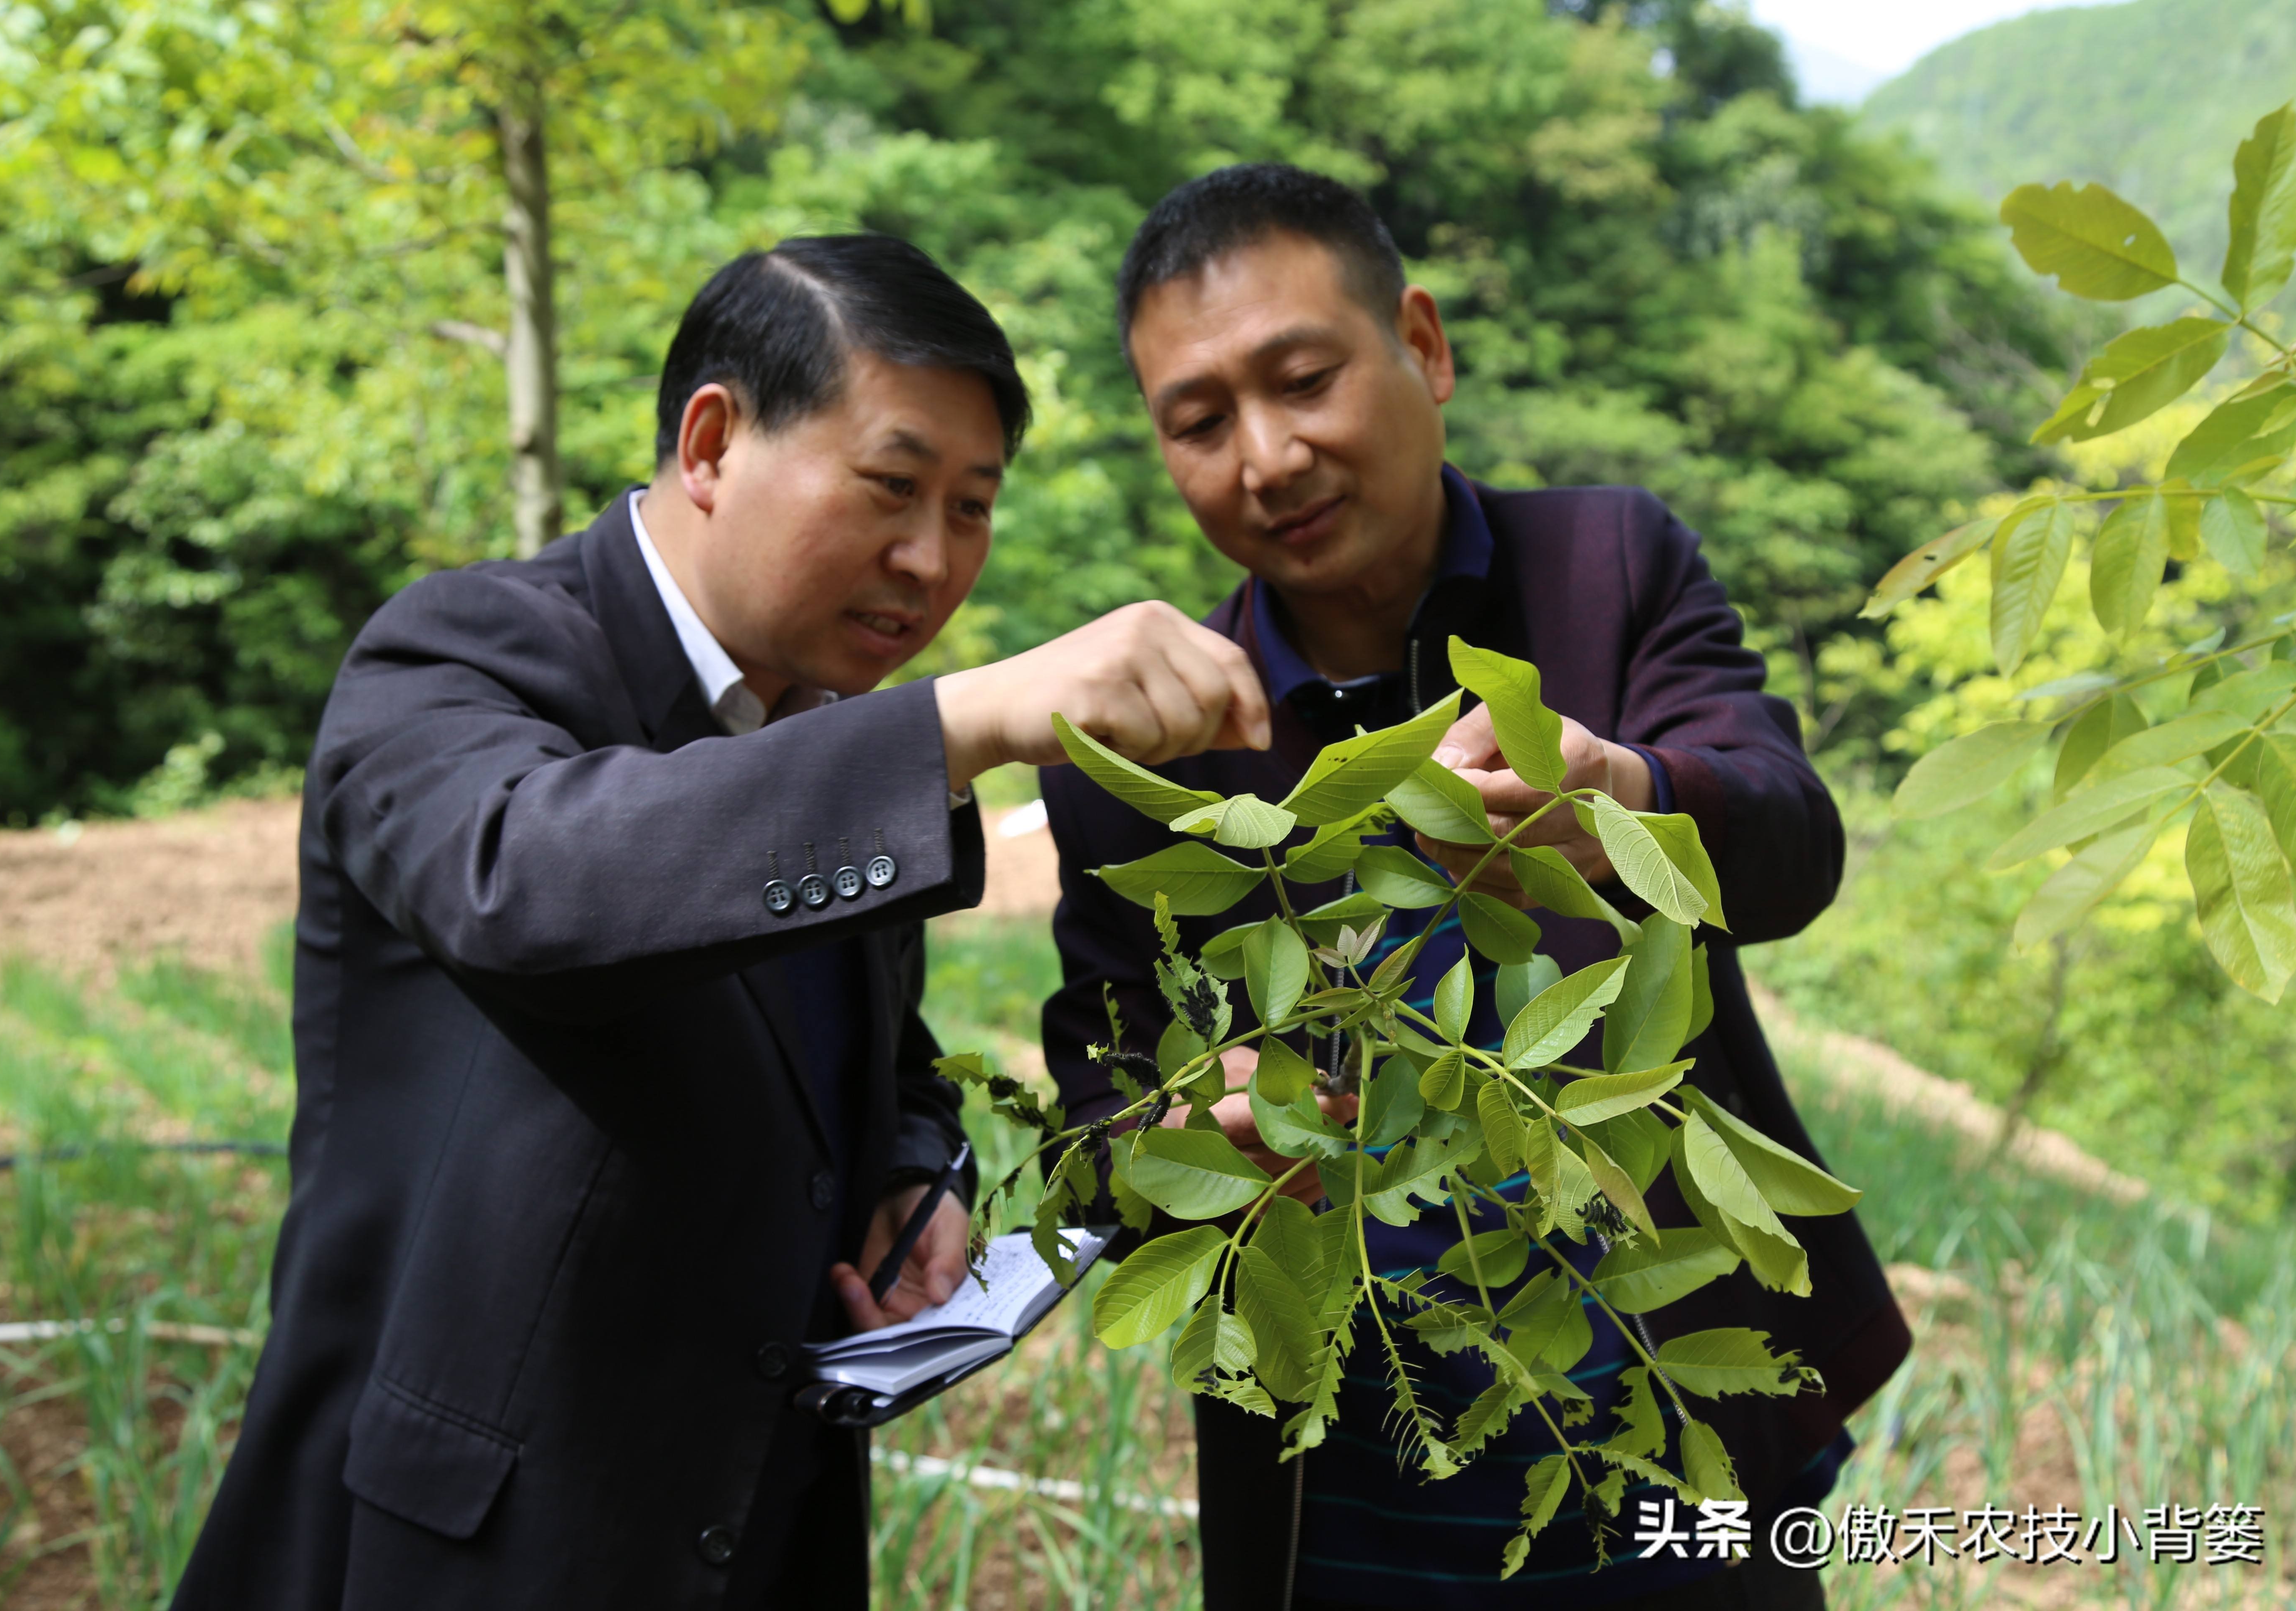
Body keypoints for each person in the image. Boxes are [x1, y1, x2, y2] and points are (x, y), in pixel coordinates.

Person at [172, 233, 1271, 1611]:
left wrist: (906, 1171)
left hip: (752, 1527)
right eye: (892, 487)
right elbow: (532, 883)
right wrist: (963, 717)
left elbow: (865, 1055)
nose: (932, 560)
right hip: (472, 1551)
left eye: (973, 509)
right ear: (710, 443)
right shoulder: (458, 656)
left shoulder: (816, 728)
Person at [1038, 166, 1910, 1610]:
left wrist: (1622, 798)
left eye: (1303, 379)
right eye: (1198, 423)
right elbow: (1106, 1071)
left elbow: (1790, 839)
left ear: (1423, 348)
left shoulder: (1610, 564)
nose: (1264, 458)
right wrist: (1179, 1122)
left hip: (1670, 1394)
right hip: (1347, 1456)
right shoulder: (1148, 748)